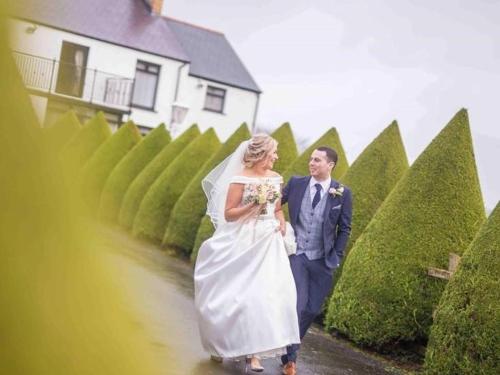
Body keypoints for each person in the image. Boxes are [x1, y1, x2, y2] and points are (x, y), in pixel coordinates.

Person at [194, 134, 300, 373]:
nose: (276, 156)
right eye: (273, 152)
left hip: (268, 241)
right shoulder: (239, 178)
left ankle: (255, 355)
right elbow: (229, 213)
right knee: (234, 295)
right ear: (261, 154)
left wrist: (281, 220)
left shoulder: (276, 178)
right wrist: (252, 206)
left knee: (264, 296)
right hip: (242, 238)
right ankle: (221, 344)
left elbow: (276, 209)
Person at [280, 147, 352, 375]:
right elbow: (273, 204)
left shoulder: (342, 192)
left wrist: (337, 255)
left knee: (311, 310)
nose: (311, 163)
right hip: (298, 255)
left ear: (330, 165)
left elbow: (345, 228)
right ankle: (291, 359)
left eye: (317, 160)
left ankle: (287, 350)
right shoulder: (296, 183)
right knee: (299, 306)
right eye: (311, 159)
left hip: (323, 260)